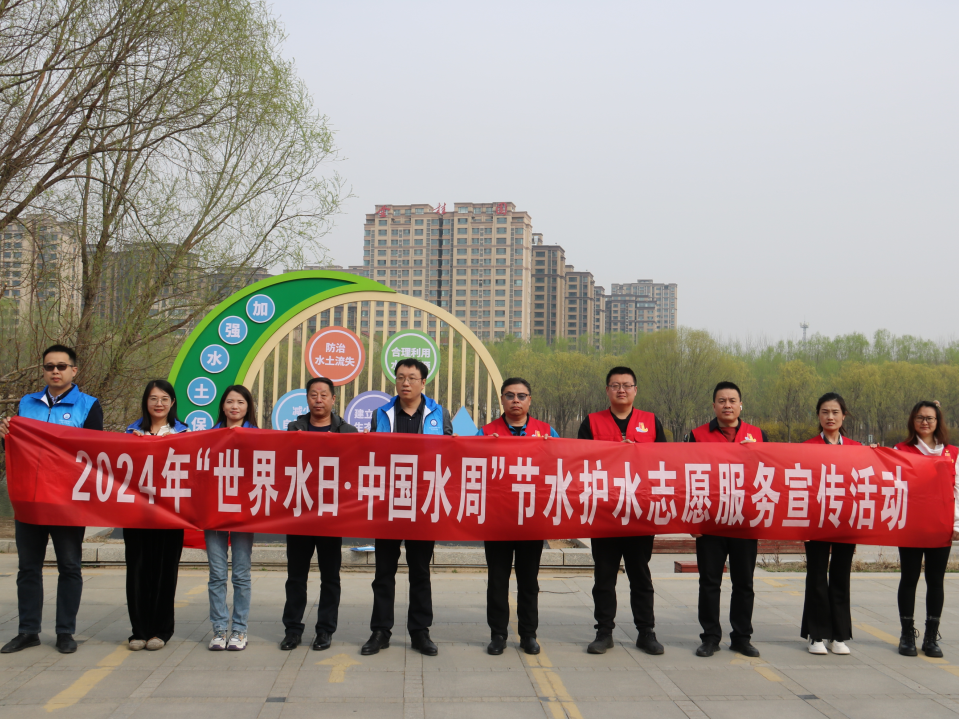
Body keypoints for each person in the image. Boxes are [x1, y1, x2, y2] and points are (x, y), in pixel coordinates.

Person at [0, 345, 103, 655]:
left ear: (74, 370)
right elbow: (18, 449)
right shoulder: (26, 403)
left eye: (61, 366)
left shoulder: (89, 405)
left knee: (69, 566)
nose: (55, 371)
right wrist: (6, 435)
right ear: (43, 371)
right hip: (30, 499)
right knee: (28, 568)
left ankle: (65, 632)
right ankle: (28, 630)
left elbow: (96, 452)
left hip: (67, 501)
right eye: (49, 367)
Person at [362, 358, 452, 657]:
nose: (405, 383)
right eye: (400, 377)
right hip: (389, 502)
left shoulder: (439, 414)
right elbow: (371, 454)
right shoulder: (382, 414)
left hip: (423, 503)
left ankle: (420, 632)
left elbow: (450, 455)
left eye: (412, 378)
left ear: (423, 383)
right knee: (383, 571)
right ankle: (380, 631)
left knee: (420, 571)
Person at [577, 366, 667, 656]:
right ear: (607, 390)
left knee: (641, 575)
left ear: (635, 390)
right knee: (604, 577)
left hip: (640, 513)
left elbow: (665, 462)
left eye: (627, 385)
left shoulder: (651, 422)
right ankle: (604, 632)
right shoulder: (592, 422)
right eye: (615, 385)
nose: (621, 390)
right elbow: (579, 462)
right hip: (605, 512)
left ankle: (646, 632)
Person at [686, 381, 768, 658]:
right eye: (722, 401)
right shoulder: (697, 436)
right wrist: (692, 521)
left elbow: (771, 473)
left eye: (732, 400)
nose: (727, 405)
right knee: (709, 582)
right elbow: (686, 477)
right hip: (710, 521)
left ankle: (741, 637)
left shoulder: (758, 435)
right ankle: (710, 637)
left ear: (741, 404)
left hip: (745, 521)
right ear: (714, 406)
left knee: (744, 583)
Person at [478, 377, 558, 656]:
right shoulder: (485, 432)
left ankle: (528, 634)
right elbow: (467, 463)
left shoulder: (547, 432)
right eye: (510, 395)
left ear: (530, 400)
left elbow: (563, 465)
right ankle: (498, 634)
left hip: (531, 519)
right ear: (501, 399)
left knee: (529, 580)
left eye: (521, 396)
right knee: (497, 580)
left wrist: (551, 449)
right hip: (497, 519)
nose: (515, 400)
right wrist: (482, 448)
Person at [280, 377, 358, 652]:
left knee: (330, 577)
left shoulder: (347, 431)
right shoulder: (294, 429)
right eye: (313, 394)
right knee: (296, 576)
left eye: (324, 394)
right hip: (300, 513)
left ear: (333, 399)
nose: (318, 399)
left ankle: (325, 630)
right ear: (307, 399)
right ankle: (292, 629)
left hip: (330, 515)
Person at [123, 379, 189, 651]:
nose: (158, 404)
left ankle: (161, 630)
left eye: (164, 399)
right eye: (153, 398)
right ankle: (139, 631)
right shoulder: (130, 433)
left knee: (165, 571)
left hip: (170, 513)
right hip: (136, 513)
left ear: (172, 402)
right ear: (145, 402)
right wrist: (135, 446)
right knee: (137, 570)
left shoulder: (185, 433)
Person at [893, 401, 959, 658]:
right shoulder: (901, 450)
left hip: (940, 526)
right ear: (913, 421)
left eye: (930, 418)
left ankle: (931, 637)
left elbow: (957, 490)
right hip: (911, 525)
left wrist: (956, 523)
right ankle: (907, 634)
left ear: (938, 421)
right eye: (920, 417)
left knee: (935, 580)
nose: (925, 422)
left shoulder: (952, 453)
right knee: (909, 578)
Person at [800, 393, 861, 656]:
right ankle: (816, 634)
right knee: (816, 575)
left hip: (846, 520)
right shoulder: (807, 447)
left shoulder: (857, 448)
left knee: (841, 576)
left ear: (844, 416)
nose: (830, 417)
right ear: (818, 415)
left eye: (835, 412)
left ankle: (838, 635)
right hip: (816, 520)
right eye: (825, 412)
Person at [206, 385, 258, 651]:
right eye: (229, 402)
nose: (234, 406)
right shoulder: (208, 436)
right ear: (222, 406)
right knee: (217, 574)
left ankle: (239, 630)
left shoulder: (258, 437)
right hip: (214, 511)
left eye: (240, 402)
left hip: (243, 513)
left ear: (248, 407)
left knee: (240, 573)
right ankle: (218, 629)